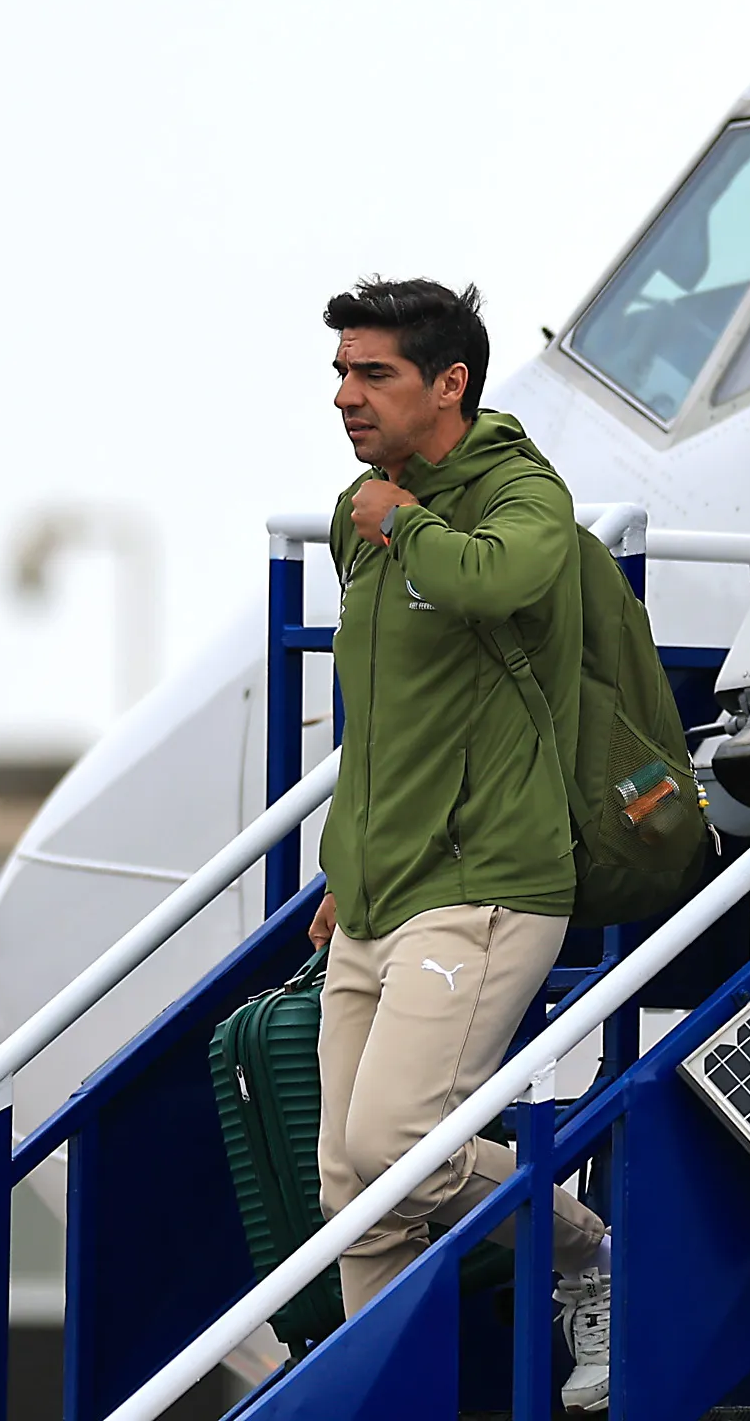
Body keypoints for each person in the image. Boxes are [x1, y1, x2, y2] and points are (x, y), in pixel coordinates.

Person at [307, 278, 612, 1407]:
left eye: (371, 372)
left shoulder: (517, 489)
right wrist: (350, 861)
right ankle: (375, 1397)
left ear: (450, 383)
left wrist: (409, 520)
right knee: (353, 1187)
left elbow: (505, 577)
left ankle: (589, 1250)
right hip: (380, 891)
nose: (345, 395)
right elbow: (383, 711)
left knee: (398, 1141)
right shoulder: (363, 509)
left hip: (488, 879)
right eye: (341, 371)